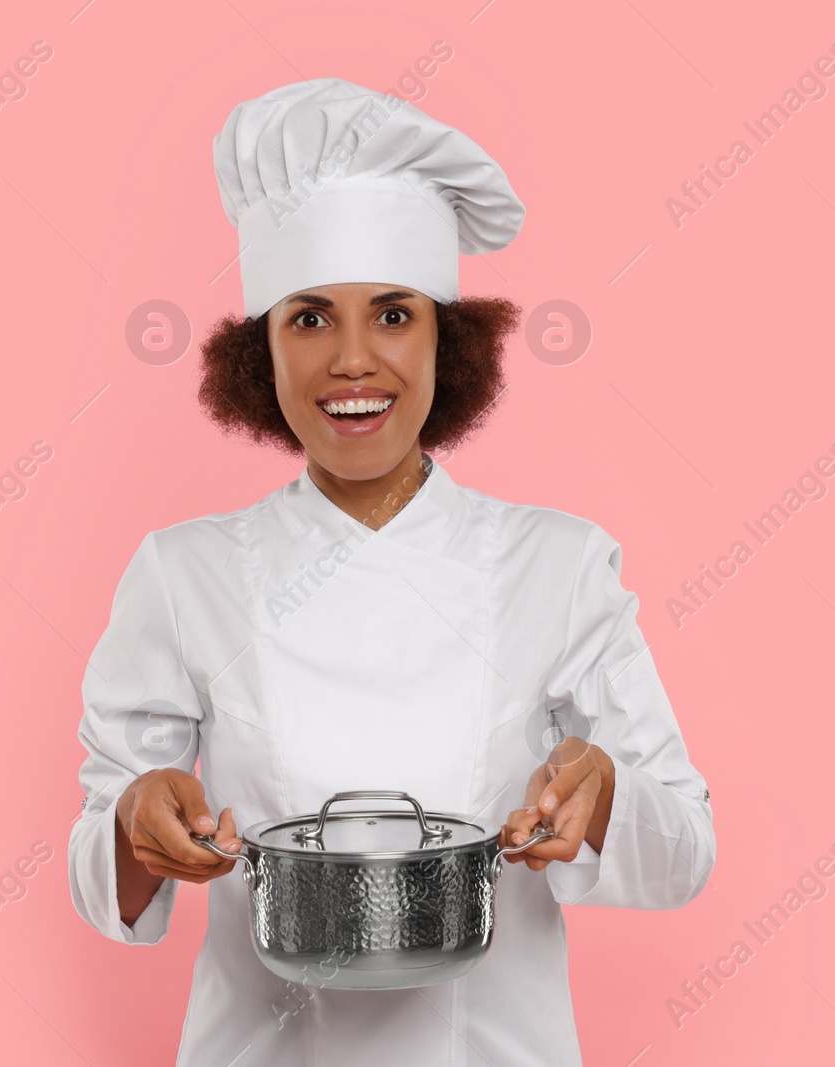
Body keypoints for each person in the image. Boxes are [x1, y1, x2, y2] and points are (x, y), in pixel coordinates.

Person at [68, 76, 715, 1066]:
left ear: (446, 341)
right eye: (311, 318)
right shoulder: (181, 572)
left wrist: (605, 793)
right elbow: (100, 860)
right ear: (263, 352)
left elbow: (685, 852)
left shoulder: (561, 565)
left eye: (395, 315)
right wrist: (132, 825)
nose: (354, 361)